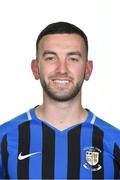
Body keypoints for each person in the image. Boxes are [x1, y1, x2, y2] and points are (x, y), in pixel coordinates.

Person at [0, 22, 120, 179]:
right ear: (35, 68)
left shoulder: (114, 140)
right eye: (51, 58)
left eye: (73, 59)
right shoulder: (5, 138)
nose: (62, 69)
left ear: (88, 70)